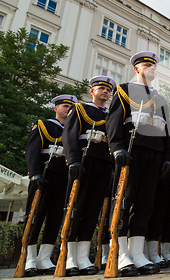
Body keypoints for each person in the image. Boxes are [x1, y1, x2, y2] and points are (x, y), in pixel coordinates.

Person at [106, 51, 170, 276]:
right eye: (147, 65)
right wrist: (116, 147)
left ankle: (137, 253)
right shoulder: (124, 89)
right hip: (131, 152)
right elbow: (114, 120)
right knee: (125, 201)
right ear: (137, 69)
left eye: (154, 66)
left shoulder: (161, 98)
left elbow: (166, 131)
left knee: (146, 204)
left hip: (155, 153)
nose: (152, 69)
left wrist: (166, 157)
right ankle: (122, 253)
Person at [61, 77, 116, 276]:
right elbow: (69, 135)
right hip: (84, 161)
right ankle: (67, 256)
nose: (105, 92)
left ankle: (82, 256)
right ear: (92, 91)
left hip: (104, 163)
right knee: (76, 206)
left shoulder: (110, 114)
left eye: (108, 90)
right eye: (101, 89)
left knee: (93, 209)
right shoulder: (80, 109)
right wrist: (72, 159)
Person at [23, 94, 77, 276]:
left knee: (55, 218)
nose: (67, 110)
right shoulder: (44, 126)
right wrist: (34, 173)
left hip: (63, 178)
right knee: (35, 216)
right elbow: (32, 150)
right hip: (44, 176)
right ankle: (29, 257)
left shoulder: (73, 129)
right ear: (55, 108)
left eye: (71, 107)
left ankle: (44, 258)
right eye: (64, 106)